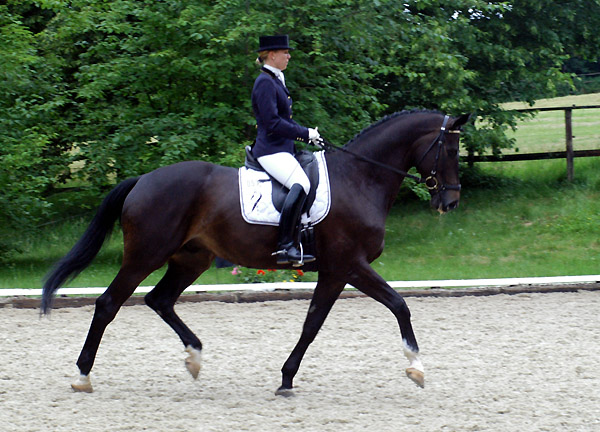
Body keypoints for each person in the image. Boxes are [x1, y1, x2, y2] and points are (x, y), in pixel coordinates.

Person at [251, 34, 322, 265]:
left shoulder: (276, 80)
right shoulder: (264, 82)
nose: (289, 56)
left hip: (282, 148)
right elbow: (272, 123)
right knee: (301, 184)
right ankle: (285, 246)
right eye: (285, 53)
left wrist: (309, 135)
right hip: (270, 150)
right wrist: (305, 133)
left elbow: (286, 121)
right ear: (272, 55)